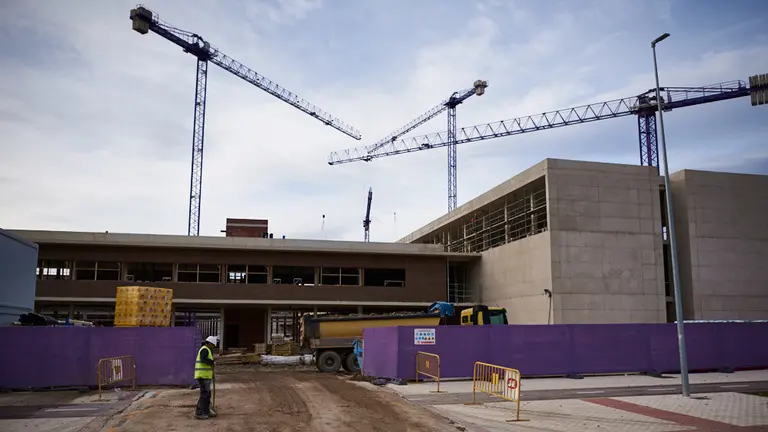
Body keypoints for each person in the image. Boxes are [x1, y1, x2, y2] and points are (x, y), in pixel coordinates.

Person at [194, 335, 219, 420]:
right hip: (202, 376)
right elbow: (203, 359)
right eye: (213, 345)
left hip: (205, 376)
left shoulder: (207, 349)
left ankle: (206, 411)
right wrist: (212, 362)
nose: (213, 347)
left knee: (206, 394)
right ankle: (200, 412)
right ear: (210, 343)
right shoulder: (204, 349)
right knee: (205, 395)